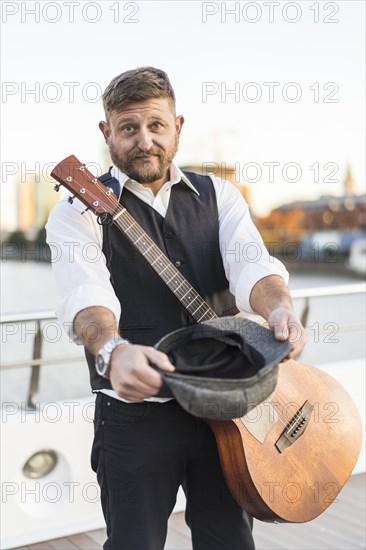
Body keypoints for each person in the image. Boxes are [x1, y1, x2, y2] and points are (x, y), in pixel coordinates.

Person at [46, 66, 306, 550]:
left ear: (178, 126)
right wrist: (113, 349)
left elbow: (254, 269)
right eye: (128, 128)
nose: (144, 141)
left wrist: (279, 309)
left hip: (227, 409)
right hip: (136, 417)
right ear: (107, 133)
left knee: (229, 541)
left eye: (156, 126)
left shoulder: (220, 196)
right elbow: (86, 298)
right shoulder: (77, 211)